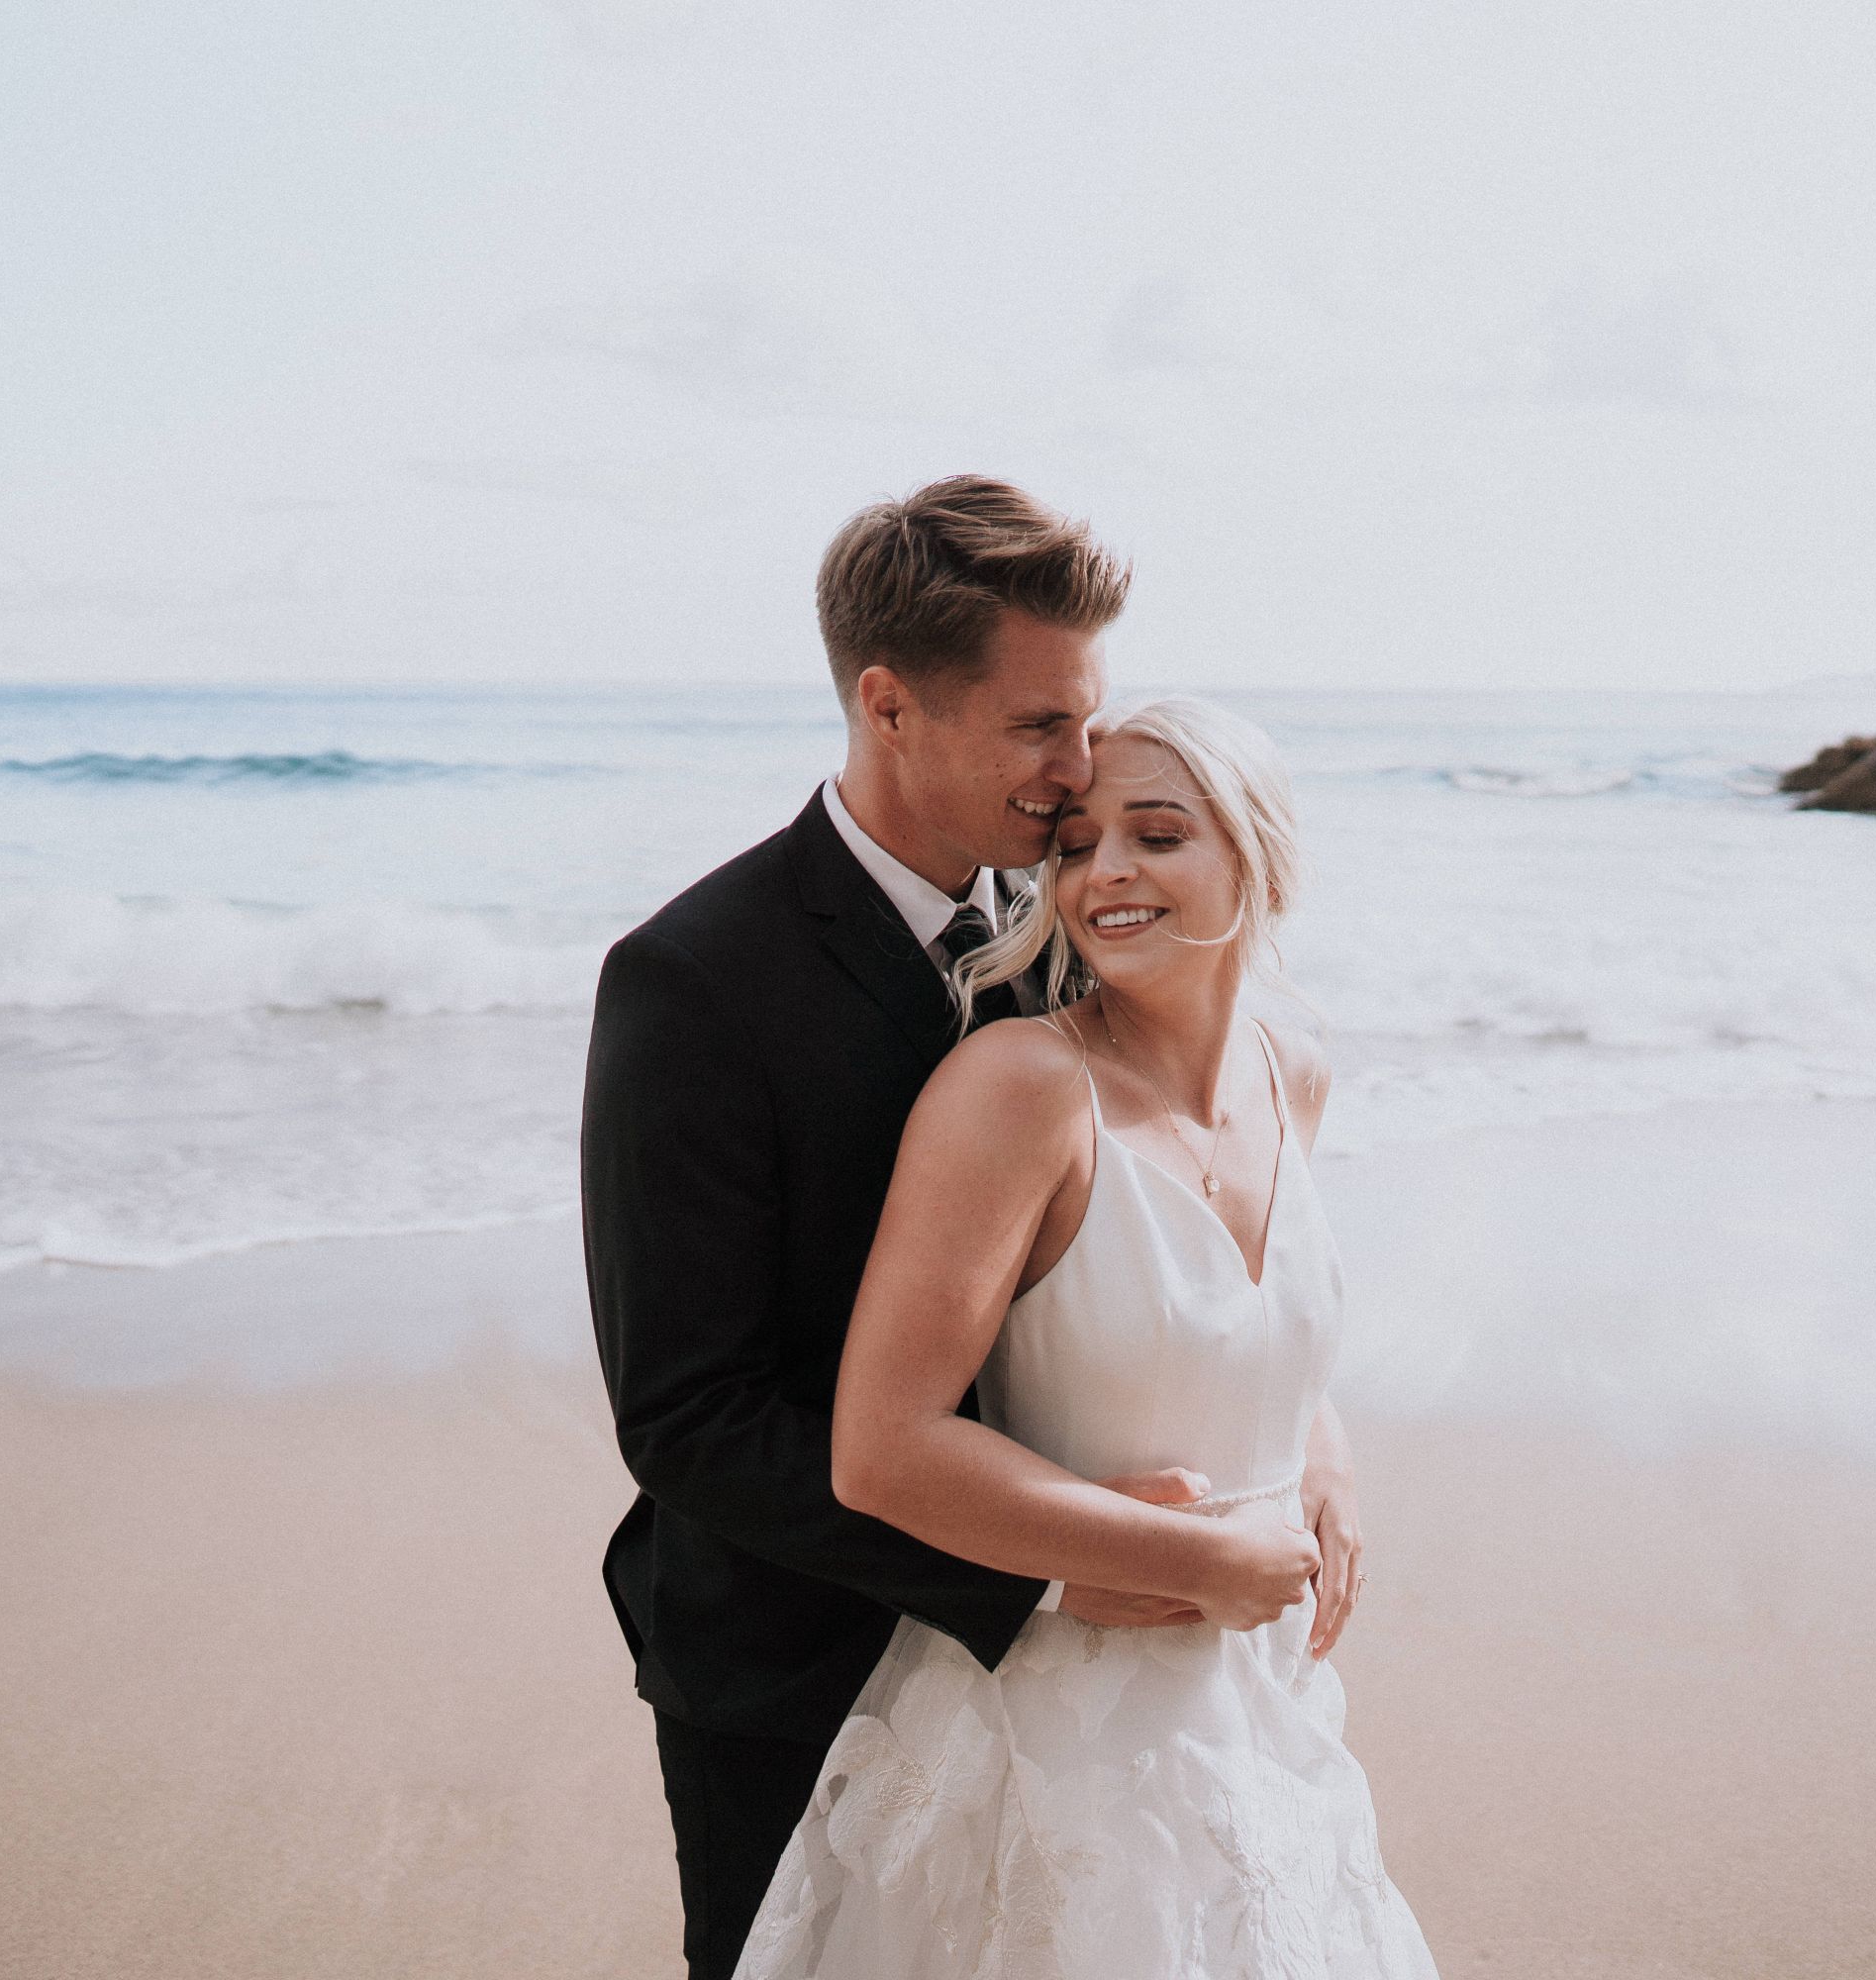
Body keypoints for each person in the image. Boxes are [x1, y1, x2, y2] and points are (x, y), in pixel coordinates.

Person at [581, 477, 1225, 1980]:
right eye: (1037, 728)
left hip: (1057, 1675)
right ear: (888, 705)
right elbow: (687, 1415)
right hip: (790, 1664)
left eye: (1088, 718)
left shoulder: (1073, 932)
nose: (1080, 774)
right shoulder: (691, 983)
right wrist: (1040, 1566)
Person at [734, 695, 1438, 1975]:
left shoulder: (1296, 1075)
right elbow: (882, 1450)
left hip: (1264, 1698)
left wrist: (1319, 1453)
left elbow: (1242, 1324)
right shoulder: (1018, 1093)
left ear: (1259, 857)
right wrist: (1201, 1558)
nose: (1105, 871)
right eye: (1073, 845)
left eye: (1158, 834)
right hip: (1063, 1723)